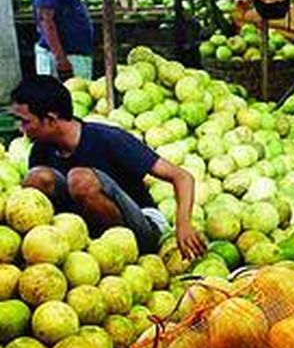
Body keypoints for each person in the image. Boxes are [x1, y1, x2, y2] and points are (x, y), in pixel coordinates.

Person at [11, 75, 206, 259]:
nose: (20, 128)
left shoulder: (108, 139)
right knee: (36, 178)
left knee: (80, 179)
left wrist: (183, 224)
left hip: (142, 229)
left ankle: (122, 254)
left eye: (25, 121)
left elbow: (182, 177)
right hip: (87, 240)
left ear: (51, 119)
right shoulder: (40, 151)